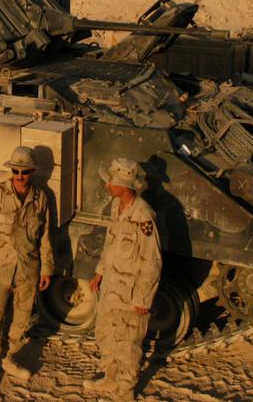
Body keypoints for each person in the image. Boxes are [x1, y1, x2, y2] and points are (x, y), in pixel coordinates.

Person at [0, 146, 55, 397]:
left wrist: (47, 269)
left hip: (27, 270)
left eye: (24, 171)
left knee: (20, 321)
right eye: (16, 171)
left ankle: (8, 358)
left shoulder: (40, 199)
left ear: (31, 172)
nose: (20, 175)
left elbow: (46, 237)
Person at [85, 158, 162, 401]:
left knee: (128, 346)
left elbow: (153, 261)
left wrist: (143, 297)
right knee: (106, 334)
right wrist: (99, 272)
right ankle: (110, 379)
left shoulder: (143, 216)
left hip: (130, 294)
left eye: (111, 182)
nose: (106, 185)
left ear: (124, 186)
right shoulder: (116, 206)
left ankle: (125, 392)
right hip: (111, 288)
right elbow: (111, 243)